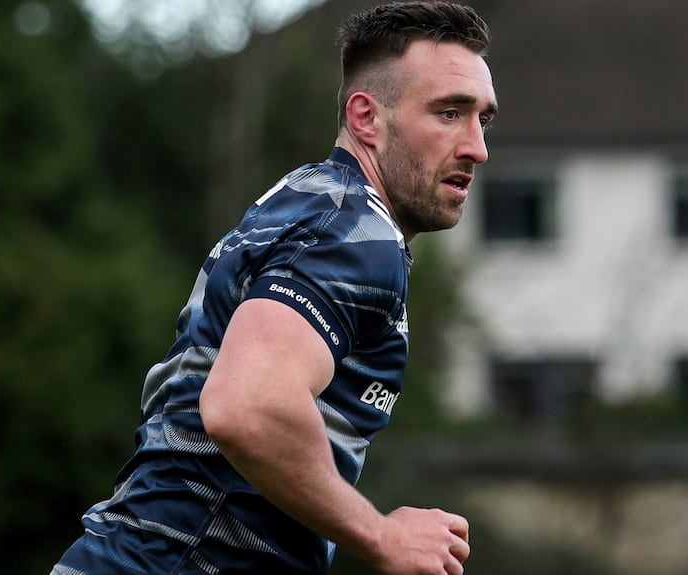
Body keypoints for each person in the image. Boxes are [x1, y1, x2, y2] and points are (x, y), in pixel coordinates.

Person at [50, 2, 497, 574]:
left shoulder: (312, 200)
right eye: (449, 113)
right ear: (365, 118)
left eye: (482, 119)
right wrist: (381, 535)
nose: (476, 147)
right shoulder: (358, 237)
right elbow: (246, 406)